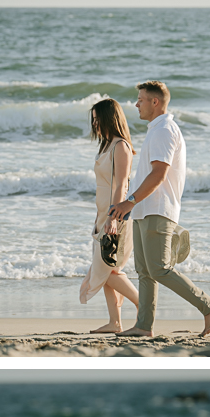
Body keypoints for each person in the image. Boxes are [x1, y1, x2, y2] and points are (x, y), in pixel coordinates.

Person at [110, 80, 210, 339]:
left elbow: (159, 174)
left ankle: (208, 306)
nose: (136, 103)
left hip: (157, 208)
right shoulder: (155, 129)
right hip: (144, 209)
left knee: (159, 268)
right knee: (145, 271)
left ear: (154, 102)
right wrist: (132, 205)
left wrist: (130, 201)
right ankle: (143, 326)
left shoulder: (163, 130)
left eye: (140, 99)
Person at [80, 98, 140, 333]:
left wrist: (113, 218)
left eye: (97, 119)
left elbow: (121, 187)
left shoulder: (120, 146)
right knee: (108, 269)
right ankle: (115, 322)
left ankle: (144, 306)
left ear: (108, 118)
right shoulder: (106, 145)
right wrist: (100, 217)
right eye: (93, 120)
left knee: (106, 270)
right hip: (104, 215)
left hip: (116, 217)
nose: (95, 124)